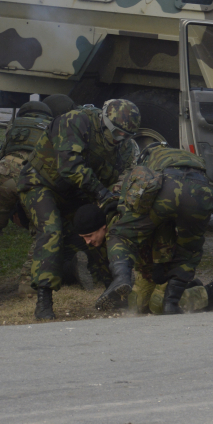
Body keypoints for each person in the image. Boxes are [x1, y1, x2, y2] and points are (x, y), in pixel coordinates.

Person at [19, 98, 140, 320]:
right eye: (116, 134)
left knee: (102, 226)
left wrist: (111, 200)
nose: (119, 140)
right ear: (104, 123)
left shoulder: (122, 147)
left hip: (78, 191)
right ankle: (44, 301)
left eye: (126, 136)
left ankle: (114, 287)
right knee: (52, 230)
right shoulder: (75, 122)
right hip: (41, 183)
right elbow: (69, 166)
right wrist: (101, 193)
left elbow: (118, 178)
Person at [0, 95, 76, 293]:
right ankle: (27, 283)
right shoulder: (55, 128)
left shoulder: (15, 126)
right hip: (31, 177)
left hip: (4, 171)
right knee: (42, 230)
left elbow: (2, 152)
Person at [95, 142, 213, 315]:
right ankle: (172, 301)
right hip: (200, 190)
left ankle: (206, 295)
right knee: (189, 250)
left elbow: (129, 223)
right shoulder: (186, 158)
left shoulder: (146, 166)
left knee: (121, 235)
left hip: (167, 192)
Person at [74, 204, 213, 314]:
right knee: (136, 306)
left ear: (103, 227)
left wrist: (163, 269)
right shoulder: (109, 233)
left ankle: (208, 294)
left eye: (89, 236)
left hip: (168, 261)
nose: (88, 241)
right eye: (84, 238)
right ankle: (187, 288)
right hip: (148, 267)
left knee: (158, 306)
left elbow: (164, 238)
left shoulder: (121, 228)